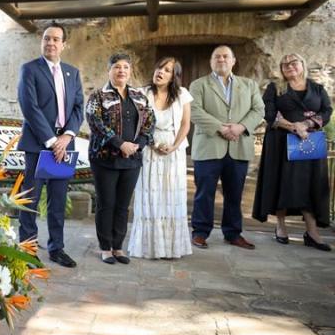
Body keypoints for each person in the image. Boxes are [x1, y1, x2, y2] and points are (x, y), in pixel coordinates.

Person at [17, 22, 84, 268]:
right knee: (31, 200)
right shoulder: (29, 69)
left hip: (63, 147)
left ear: (64, 44)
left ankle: (57, 248)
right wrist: (52, 140)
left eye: (56, 39)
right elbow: (29, 107)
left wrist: (66, 137)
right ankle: (28, 249)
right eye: (47, 38)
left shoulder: (72, 73)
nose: (50, 43)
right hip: (38, 145)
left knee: (58, 200)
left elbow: (78, 107)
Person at [252, 53, 332, 251]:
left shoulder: (317, 88)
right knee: (282, 181)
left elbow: (326, 111)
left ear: (302, 64)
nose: (289, 66)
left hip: (309, 142)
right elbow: (268, 112)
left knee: (310, 185)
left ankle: (312, 232)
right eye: (285, 64)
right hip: (280, 142)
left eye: (293, 62)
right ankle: (280, 226)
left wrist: (306, 124)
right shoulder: (275, 88)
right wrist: (294, 127)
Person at [189, 45, 264, 250]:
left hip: (238, 146)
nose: (221, 59)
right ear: (211, 61)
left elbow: (259, 110)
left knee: (235, 194)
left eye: (225, 56)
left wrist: (241, 127)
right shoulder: (198, 84)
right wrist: (221, 128)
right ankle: (200, 232)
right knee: (204, 193)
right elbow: (194, 110)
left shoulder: (249, 85)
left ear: (233, 61)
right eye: (217, 57)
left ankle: (233, 233)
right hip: (208, 146)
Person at [86, 53, 155, 264]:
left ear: (130, 71)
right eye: (117, 67)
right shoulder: (98, 96)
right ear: (109, 70)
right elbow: (95, 123)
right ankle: (105, 247)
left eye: (125, 67)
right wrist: (120, 144)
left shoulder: (140, 96)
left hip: (132, 159)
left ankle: (118, 247)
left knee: (123, 205)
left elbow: (150, 122)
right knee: (106, 203)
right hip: (104, 159)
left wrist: (138, 145)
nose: (121, 70)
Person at [128, 57, 193, 259]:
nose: (161, 72)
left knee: (171, 195)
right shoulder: (142, 93)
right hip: (149, 148)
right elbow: (136, 123)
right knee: (149, 195)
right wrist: (153, 143)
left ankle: (171, 247)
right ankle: (149, 247)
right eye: (159, 68)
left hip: (174, 150)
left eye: (167, 70)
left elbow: (185, 124)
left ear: (174, 76)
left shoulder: (182, 94)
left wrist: (174, 146)